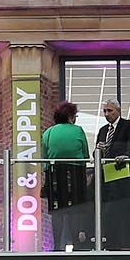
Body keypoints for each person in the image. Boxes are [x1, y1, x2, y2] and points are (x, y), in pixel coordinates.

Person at [42, 101, 91, 251]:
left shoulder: (48, 132)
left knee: (57, 213)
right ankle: (76, 245)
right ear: (70, 117)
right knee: (75, 211)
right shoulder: (78, 131)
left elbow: (45, 158)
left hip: (55, 175)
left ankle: (57, 246)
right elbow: (85, 155)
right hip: (75, 174)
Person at [94, 100, 130, 251]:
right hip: (108, 180)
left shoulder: (128, 125)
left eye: (110, 111)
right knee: (109, 215)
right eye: (105, 111)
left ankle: (125, 247)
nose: (107, 114)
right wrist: (98, 150)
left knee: (126, 213)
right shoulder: (102, 130)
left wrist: (127, 155)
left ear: (118, 111)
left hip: (124, 177)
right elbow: (95, 154)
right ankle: (110, 246)